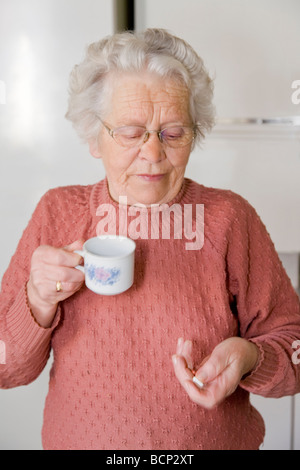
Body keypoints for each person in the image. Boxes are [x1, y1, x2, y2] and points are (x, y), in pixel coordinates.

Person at [0, 28, 299, 451]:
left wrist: (251, 358)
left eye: (173, 133)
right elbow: (5, 367)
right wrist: (37, 301)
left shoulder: (229, 219)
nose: (154, 153)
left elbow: (294, 344)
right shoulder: (58, 213)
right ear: (93, 135)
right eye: (130, 131)